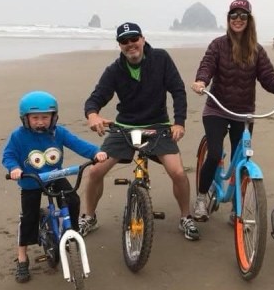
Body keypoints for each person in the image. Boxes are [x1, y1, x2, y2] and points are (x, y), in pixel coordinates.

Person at [81, 22, 200, 241]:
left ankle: (185, 217)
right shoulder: (114, 70)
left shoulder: (161, 59)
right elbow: (95, 98)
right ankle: (89, 217)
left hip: (158, 126)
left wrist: (179, 123)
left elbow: (177, 91)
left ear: (143, 39)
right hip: (124, 127)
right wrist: (93, 115)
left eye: (134, 39)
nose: (130, 45)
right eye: (124, 42)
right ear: (119, 45)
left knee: (179, 173)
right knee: (95, 172)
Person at [190, 0, 274, 223]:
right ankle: (201, 198)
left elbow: (268, 77)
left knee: (241, 160)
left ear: (249, 20)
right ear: (228, 19)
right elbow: (207, 66)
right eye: (233, 16)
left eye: (243, 16)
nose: (238, 20)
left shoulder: (256, 50)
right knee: (216, 153)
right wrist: (201, 81)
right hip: (216, 109)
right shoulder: (218, 45)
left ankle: (236, 208)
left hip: (244, 113)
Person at [2, 90, 108, 283]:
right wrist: (15, 168)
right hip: (31, 181)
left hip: (55, 176)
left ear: (54, 117)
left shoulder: (59, 133)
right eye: (35, 118)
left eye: (45, 117)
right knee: (29, 217)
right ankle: (22, 258)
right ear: (25, 118)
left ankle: (72, 233)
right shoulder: (18, 136)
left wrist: (96, 153)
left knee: (72, 199)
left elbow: (78, 144)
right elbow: (8, 155)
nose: (40, 122)